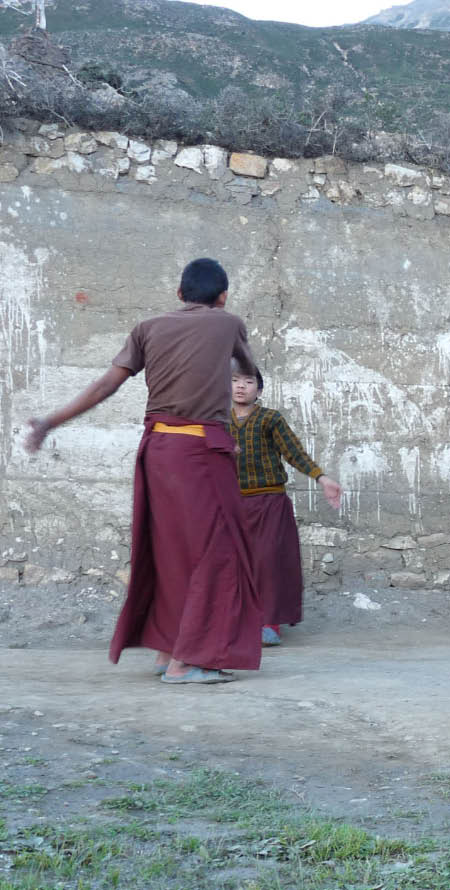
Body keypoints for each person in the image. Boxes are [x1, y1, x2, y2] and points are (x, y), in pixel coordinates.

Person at [24, 258, 262, 685]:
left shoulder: (148, 327)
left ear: (178, 293)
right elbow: (246, 365)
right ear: (222, 296)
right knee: (217, 550)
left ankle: (168, 646)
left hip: (157, 451)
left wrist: (50, 421)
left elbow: (104, 386)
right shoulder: (228, 324)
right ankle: (186, 661)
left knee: (169, 550)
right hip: (201, 453)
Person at [230, 367, 342, 646]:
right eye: (233, 381)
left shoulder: (270, 419)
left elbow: (293, 452)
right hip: (230, 503)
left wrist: (321, 477)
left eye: (248, 381)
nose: (241, 387)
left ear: (260, 389)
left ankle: (269, 622)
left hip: (269, 501)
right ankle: (236, 621)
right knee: (233, 563)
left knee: (269, 562)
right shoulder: (217, 421)